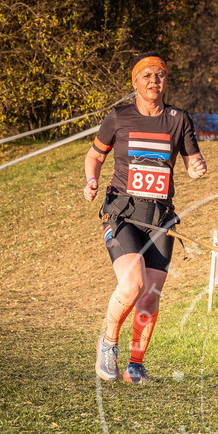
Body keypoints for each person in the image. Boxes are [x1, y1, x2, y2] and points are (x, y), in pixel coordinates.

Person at [84, 52, 207, 384]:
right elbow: (94, 155)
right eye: (147, 75)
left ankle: (135, 365)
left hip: (161, 217)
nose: (155, 80)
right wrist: (92, 180)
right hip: (123, 213)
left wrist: (196, 168)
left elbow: (192, 159)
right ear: (135, 82)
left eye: (160, 75)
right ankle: (108, 343)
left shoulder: (178, 119)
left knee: (151, 293)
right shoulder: (119, 117)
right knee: (133, 283)